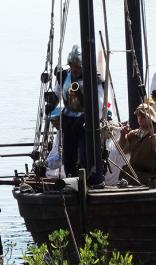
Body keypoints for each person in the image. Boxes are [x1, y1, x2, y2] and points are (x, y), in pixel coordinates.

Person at [53, 44, 104, 178]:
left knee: (85, 153)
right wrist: (51, 107)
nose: (74, 69)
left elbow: (99, 102)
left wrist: (92, 118)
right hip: (68, 119)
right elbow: (57, 94)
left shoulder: (93, 78)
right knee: (68, 152)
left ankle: (87, 177)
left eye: (77, 66)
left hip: (85, 120)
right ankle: (70, 177)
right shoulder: (63, 76)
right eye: (72, 66)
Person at [119, 103, 156, 187]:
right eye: (138, 116)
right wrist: (122, 135)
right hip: (133, 179)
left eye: (143, 116)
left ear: (150, 117)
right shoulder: (133, 134)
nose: (140, 118)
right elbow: (122, 150)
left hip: (151, 181)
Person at [45, 107, 66, 178]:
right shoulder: (59, 132)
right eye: (51, 122)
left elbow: (61, 159)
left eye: (54, 121)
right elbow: (54, 153)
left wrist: (46, 163)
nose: (53, 125)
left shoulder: (66, 133)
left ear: (61, 119)